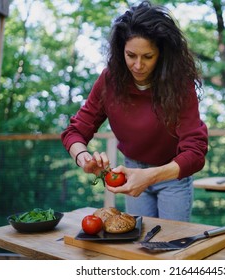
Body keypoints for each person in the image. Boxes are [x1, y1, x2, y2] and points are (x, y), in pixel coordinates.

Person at [61, 1, 208, 222]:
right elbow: (74, 131)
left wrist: (150, 176)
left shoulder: (180, 85)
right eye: (131, 55)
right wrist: (83, 158)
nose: (138, 65)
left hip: (171, 175)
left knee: (171, 246)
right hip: (131, 171)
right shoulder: (109, 81)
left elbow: (195, 153)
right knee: (139, 243)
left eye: (148, 57)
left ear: (162, 54)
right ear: (121, 52)